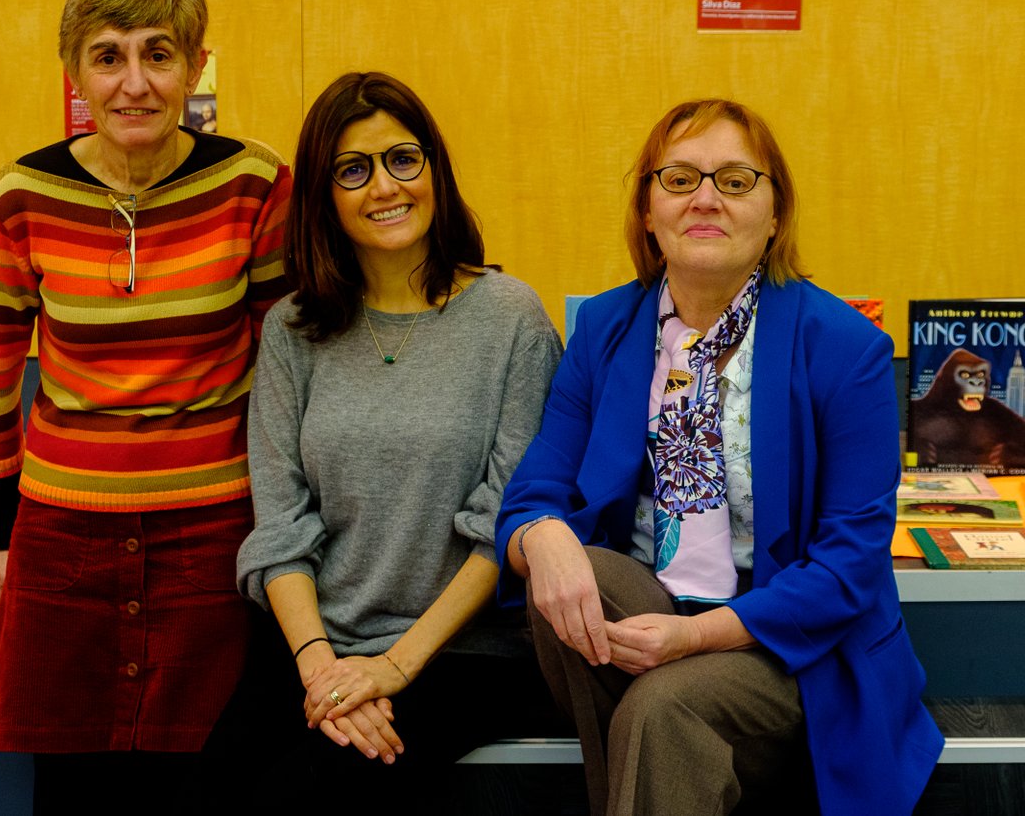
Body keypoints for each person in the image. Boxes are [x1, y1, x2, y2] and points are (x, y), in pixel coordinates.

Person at [496, 99, 943, 816]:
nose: (705, 198)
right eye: (679, 179)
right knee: (569, 574)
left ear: (775, 214)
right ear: (647, 211)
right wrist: (540, 537)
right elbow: (532, 495)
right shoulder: (604, 328)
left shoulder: (844, 347)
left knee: (663, 710)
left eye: (735, 180)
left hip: (789, 646)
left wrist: (694, 638)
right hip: (648, 611)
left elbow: (849, 565)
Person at [0, 0, 290, 813]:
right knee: (75, 792)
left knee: (212, 784)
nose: (134, 83)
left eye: (159, 54)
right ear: (74, 72)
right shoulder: (21, 198)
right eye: (108, 57)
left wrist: (291, 526)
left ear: (196, 66)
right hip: (63, 541)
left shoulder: (254, 186)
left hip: (215, 536)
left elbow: (292, 374)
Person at [235, 71, 566, 813]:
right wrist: (323, 670)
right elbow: (280, 529)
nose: (385, 186)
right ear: (323, 195)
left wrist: (393, 667)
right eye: (353, 169)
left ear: (434, 168)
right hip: (318, 644)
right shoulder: (292, 330)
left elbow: (505, 524)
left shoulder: (512, 320)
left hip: (467, 653)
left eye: (402, 159)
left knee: (298, 800)